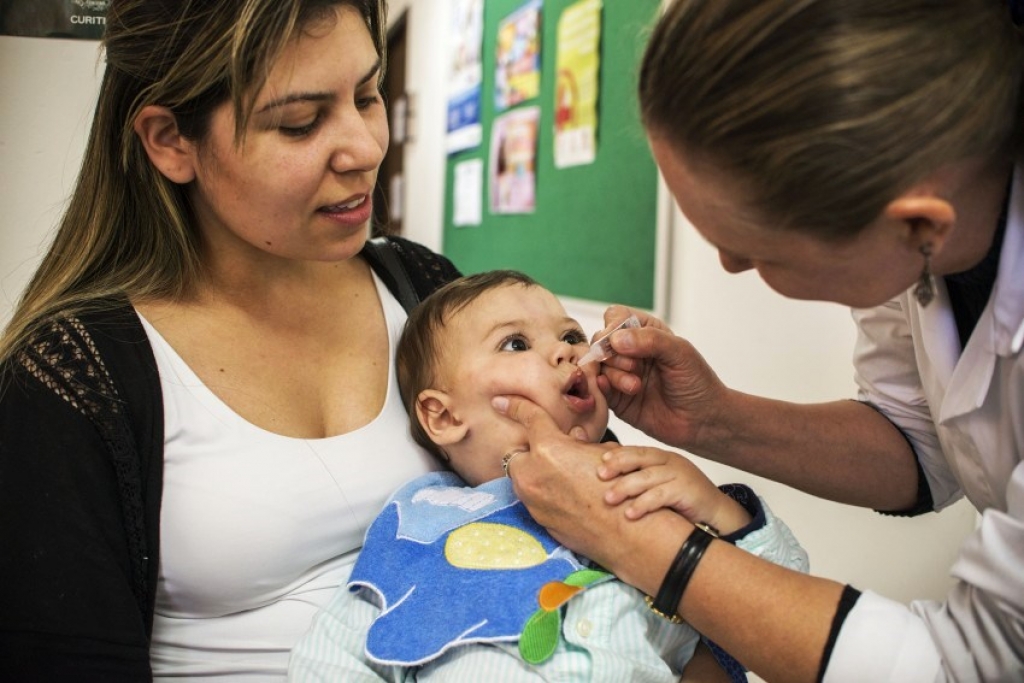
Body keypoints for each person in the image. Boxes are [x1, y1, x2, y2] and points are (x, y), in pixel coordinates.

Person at [490, 1, 1024, 682]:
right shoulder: (912, 230)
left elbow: (970, 666)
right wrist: (710, 418)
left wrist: (631, 538)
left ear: (919, 226)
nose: (730, 267)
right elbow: (925, 443)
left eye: (752, 250)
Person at [0, 0, 462, 680]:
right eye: (300, 123)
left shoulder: (425, 288)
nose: (364, 148)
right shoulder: (72, 380)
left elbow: (578, 517)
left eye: (367, 95)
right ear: (170, 140)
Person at [287, 270, 809, 682]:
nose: (566, 351)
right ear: (444, 417)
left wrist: (718, 509)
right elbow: (335, 655)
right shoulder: (422, 522)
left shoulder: (641, 485)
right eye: (515, 343)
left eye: (571, 335)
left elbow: (787, 604)